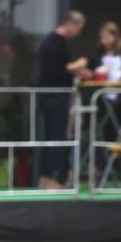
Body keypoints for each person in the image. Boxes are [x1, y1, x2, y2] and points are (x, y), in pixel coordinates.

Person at [33, 10, 89, 188]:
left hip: (51, 96)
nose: (78, 33)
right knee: (56, 137)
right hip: (55, 97)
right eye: (78, 28)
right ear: (70, 24)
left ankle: (46, 178)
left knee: (52, 137)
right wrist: (76, 66)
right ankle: (52, 180)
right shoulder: (56, 42)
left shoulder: (52, 41)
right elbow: (55, 69)